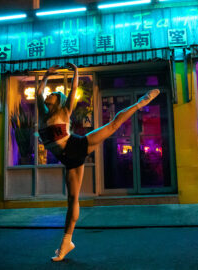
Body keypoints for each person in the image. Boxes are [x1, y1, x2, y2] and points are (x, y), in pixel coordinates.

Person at [36, 64, 160, 261]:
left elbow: (73, 90)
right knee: (72, 201)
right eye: (49, 93)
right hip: (68, 159)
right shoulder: (43, 114)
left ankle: (140, 103)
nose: (49, 94)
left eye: (53, 93)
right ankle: (66, 243)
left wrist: (76, 72)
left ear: (59, 100)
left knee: (112, 126)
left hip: (75, 146)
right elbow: (38, 92)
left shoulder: (64, 111)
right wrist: (46, 76)